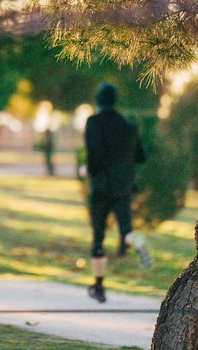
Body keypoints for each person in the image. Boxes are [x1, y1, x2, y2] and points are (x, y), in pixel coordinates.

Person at [85, 82, 151, 303]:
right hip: (123, 186)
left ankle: (99, 285)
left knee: (98, 237)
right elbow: (141, 156)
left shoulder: (93, 122)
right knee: (126, 229)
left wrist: (89, 172)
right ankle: (139, 243)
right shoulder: (128, 126)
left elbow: (94, 152)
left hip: (102, 186)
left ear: (98, 100)